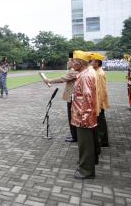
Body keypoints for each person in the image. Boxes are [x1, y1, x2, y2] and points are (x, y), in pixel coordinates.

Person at [71, 51, 97, 179]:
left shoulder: (85, 76)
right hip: (82, 115)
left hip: (83, 117)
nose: (72, 63)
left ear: (80, 63)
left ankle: (86, 171)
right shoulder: (84, 73)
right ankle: (86, 167)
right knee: (86, 144)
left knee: (85, 145)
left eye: (74, 61)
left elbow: (88, 98)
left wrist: (85, 118)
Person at [43, 52, 79, 142]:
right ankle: (74, 135)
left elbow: (62, 79)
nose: (67, 63)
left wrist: (48, 80)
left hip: (72, 97)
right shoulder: (74, 71)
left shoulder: (73, 71)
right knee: (72, 117)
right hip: (72, 97)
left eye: (69, 61)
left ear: (73, 62)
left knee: (72, 117)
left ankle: (74, 136)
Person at [91, 53, 110, 148]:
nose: (91, 63)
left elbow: (102, 90)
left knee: (100, 122)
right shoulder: (96, 71)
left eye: (93, 61)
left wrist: (100, 103)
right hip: (97, 100)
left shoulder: (100, 73)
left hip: (100, 101)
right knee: (100, 121)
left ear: (98, 63)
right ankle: (103, 140)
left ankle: (101, 140)